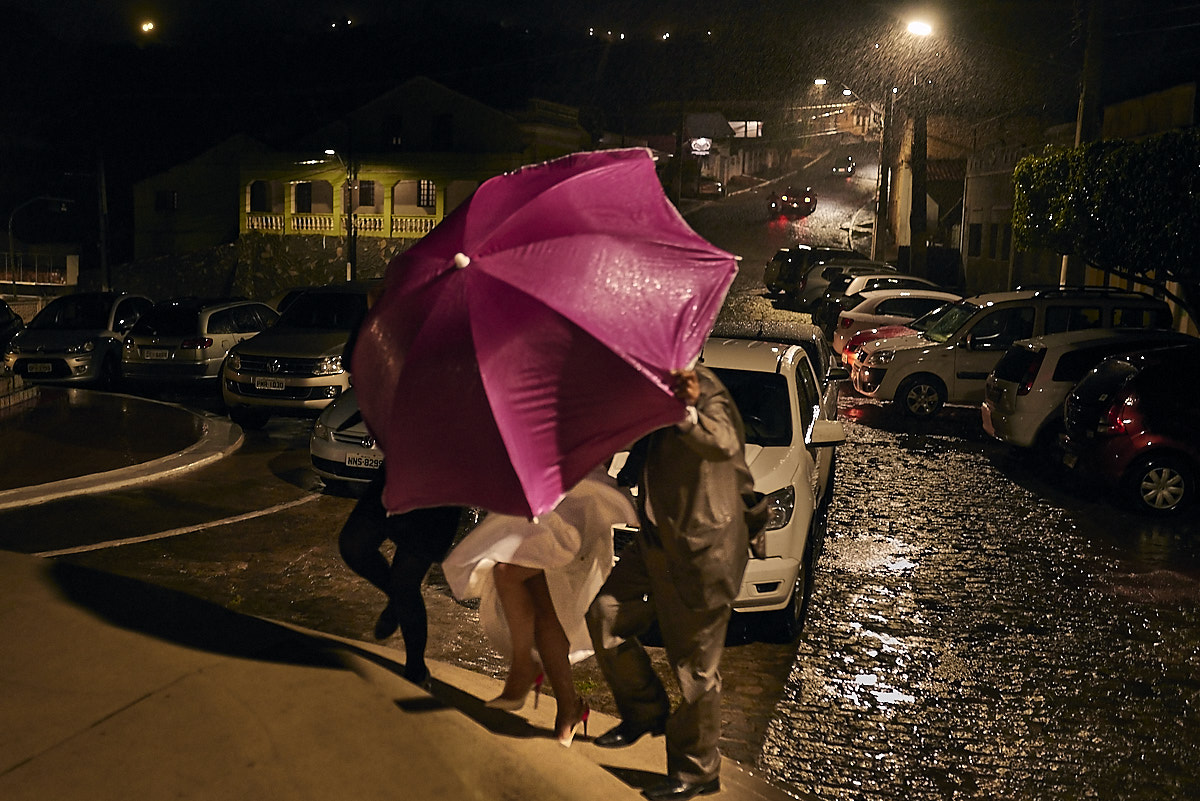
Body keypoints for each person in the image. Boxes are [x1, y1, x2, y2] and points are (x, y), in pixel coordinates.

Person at [586, 366, 754, 801]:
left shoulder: (705, 389)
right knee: (605, 613)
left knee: (694, 667)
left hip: (704, 549)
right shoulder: (647, 383)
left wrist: (686, 412)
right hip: (658, 536)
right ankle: (645, 712)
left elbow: (723, 443)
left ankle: (699, 771)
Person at [443, 462, 638, 748]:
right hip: (538, 494)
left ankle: (526, 665)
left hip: (573, 499)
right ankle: (568, 704)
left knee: (507, 572)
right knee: (541, 604)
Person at [337, 472, 463, 687]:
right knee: (353, 544)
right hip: (400, 470)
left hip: (441, 488)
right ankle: (397, 600)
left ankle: (416, 670)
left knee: (405, 582)